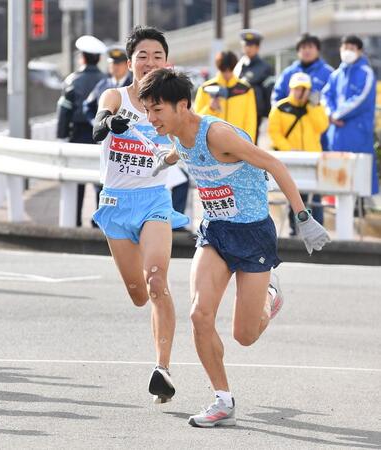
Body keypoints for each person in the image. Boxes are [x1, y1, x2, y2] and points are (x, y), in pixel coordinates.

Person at [137, 68, 330, 427]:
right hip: (215, 231)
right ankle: (222, 399)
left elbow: (272, 163)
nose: (151, 118)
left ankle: (270, 297)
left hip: (253, 233)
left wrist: (303, 218)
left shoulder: (218, 134)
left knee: (245, 335)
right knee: (199, 315)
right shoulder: (176, 132)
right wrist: (165, 160)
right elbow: (181, 150)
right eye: (147, 110)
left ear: (182, 106)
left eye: (157, 110)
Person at [91, 26, 189, 404]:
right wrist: (107, 124)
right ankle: (159, 353)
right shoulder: (116, 95)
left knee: (156, 281)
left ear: (167, 62)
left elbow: (192, 139)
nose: (149, 63)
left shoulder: (174, 104)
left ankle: (162, 369)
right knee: (137, 294)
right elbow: (100, 122)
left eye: (157, 57)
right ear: (129, 61)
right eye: (142, 56)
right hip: (115, 204)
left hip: (154, 202)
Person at [268, 72, 329, 235]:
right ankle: (295, 230)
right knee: (294, 196)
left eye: (304, 89)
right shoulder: (280, 108)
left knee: (315, 197)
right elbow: (274, 133)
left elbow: (322, 127)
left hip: (313, 159)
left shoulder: (315, 107)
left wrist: (313, 107)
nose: (300, 92)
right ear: (290, 89)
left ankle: (318, 230)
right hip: (291, 160)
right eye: (297, 88)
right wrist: (288, 150)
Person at [56, 35, 107, 227]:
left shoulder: (72, 81)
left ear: (82, 58)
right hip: (101, 136)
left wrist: (61, 138)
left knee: (75, 182)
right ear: (99, 58)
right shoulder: (106, 81)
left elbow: (64, 111)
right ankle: (98, 223)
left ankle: (74, 220)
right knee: (101, 182)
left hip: (77, 135)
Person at [322, 35, 379, 199]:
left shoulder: (366, 73)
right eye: (345, 47)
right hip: (337, 133)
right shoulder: (336, 74)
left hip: (357, 132)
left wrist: (337, 114)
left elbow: (360, 99)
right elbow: (326, 96)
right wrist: (330, 114)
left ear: (360, 51)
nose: (348, 52)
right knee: (338, 175)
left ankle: (359, 210)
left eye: (352, 48)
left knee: (359, 175)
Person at [194, 50, 257, 142]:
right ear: (218, 68)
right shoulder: (205, 88)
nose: (227, 74)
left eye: (230, 70)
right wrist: (210, 108)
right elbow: (196, 119)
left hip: (239, 143)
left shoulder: (246, 89)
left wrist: (249, 142)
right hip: (212, 144)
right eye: (223, 70)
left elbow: (251, 120)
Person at [234, 29, 274, 144]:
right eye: (246, 45)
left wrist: (268, 113)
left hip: (254, 112)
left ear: (257, 48)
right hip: (236, 110)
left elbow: (269, 91)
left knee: (250, 142)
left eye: (252, 45)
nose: (248, 48)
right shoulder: (238, 65)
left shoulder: (265, 67)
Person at [83, 45, 132, 126]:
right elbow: (88, 105)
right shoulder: (102, 85)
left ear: (127, 65)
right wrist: (95, 122)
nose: (115, 67)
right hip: (104, 133)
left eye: (119, 63)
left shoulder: (132, 84)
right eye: (113, 63)